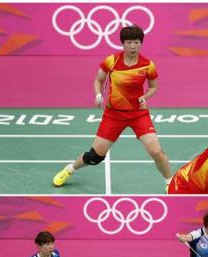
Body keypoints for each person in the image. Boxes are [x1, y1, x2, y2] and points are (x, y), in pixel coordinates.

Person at [52, 25, 172, 189]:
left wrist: (146, 96)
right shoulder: (111, 61)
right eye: (129, 42)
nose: (132, 46)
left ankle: (170, 182)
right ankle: (70, 169)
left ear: (140, 43)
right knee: (95, 156)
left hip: (138, 114)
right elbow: (98, 80)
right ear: (123, 43)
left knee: (156, 152)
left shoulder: (148, 65)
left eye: (136, 42)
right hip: (113, 114)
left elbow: (153, 87)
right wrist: (98, 94)